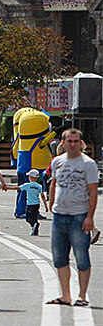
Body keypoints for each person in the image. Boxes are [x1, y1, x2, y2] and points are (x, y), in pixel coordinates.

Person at [46, 128, 98, 307]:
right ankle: (65, 295)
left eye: (76, 141)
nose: (73, 144)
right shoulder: (57, 162)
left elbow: (93, 191)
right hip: (59, 216)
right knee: (59, 257)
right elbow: (53, 183)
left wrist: (90, 217)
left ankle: (82, 295)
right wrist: (51, 204)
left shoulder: (88, 164)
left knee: (81, 256)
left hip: (79, 216)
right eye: (69, 141)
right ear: (63, 143)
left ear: (80, 143)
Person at [6, 169, 48, 235]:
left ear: (30, 177)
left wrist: (8, 188)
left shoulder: (27, 185)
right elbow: (43, 196)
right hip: (37, 204)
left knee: (28, 218)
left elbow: (18, 188)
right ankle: (35, 230)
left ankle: (34, 224)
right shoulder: (39, 186)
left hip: (30, 204)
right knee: (34, 216)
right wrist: (46, 206)